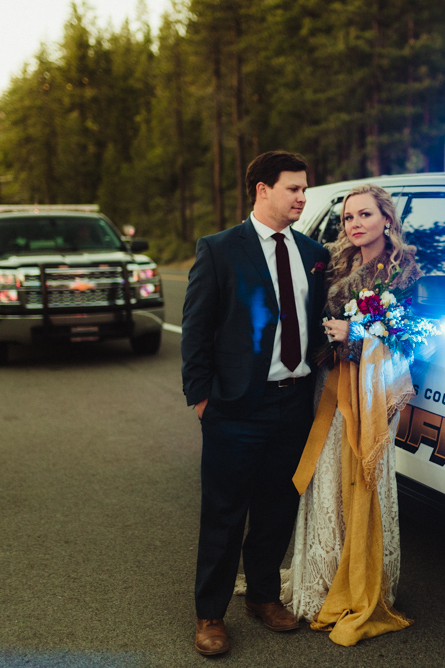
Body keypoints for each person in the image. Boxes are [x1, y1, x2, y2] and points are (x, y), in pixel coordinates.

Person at [181, 150, 329, 657]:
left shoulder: (314, 252)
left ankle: (263, 597)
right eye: (293, 188)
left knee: (277, 508)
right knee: (224, 513)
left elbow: (315, 326)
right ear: (262, 189)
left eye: (305, 189)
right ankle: (210, 614)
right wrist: (201, 399)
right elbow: (196, 331)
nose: (302, 198)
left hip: (294, 405)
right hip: (236, 408)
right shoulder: (220, 249)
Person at [287, 183, 421, 646]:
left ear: (387, 218)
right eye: (347, 218)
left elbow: (413, 337)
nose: (354, 224)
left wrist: (359, 332)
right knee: (327, 478)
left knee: (364, 478)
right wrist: (333, 339)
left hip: (373, 395)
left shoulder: (403, 270)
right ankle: (323, 576)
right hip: (333, 386)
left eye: (364, 215)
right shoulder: (339, 265)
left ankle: (361, 583)